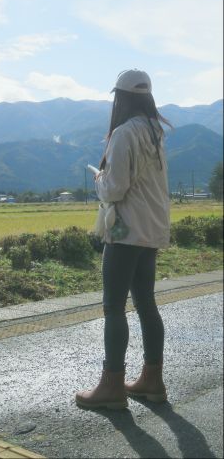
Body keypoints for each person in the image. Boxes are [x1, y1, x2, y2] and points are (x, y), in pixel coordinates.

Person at [76, 69, 172, 410]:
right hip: (151, 230)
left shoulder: (123, 133)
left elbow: (115, 189)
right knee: (146, 303)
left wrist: (98, 179)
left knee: (113, 306)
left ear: (121, 97)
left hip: (125, 230)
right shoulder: (154, 131)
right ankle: (152, 380)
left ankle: (112, 385)